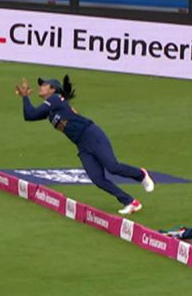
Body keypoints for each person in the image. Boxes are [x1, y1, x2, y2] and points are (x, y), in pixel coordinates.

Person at [15, 75, 154, 215]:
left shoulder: (55, 99)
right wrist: (24, 97)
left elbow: (31, 113)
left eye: (44, 85)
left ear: (52, 89)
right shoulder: (50, 111)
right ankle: (130, 202)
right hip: (82, 144)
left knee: (112, 167)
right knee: (97, 179)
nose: (40, 87)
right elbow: (29, 115)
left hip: (92, 135)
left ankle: (141, 174)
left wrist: (26, 96)